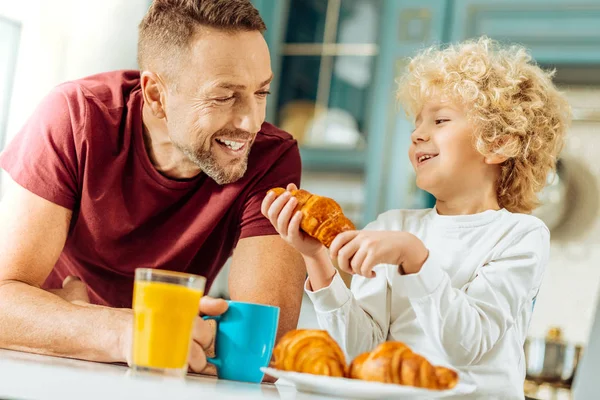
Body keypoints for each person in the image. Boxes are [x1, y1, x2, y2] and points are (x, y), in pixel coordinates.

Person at [0, 0, 306, 374]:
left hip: (160, 368)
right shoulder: (75, 116)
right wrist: (120, 331)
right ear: (157, 96)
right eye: (225, 96)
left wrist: (76, 321)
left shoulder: (271, 158)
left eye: (261, 93)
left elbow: (262, 346)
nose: (252, 121)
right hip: (42, 366)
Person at [263, 36, 570, 398]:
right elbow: (362, 352)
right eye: (417, 122)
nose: (417, 133)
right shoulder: (393, 226)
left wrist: (415, 258)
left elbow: (467, 344)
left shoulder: (520, 235)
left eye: (440, 120)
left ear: (498, 143)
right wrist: (315, 257)